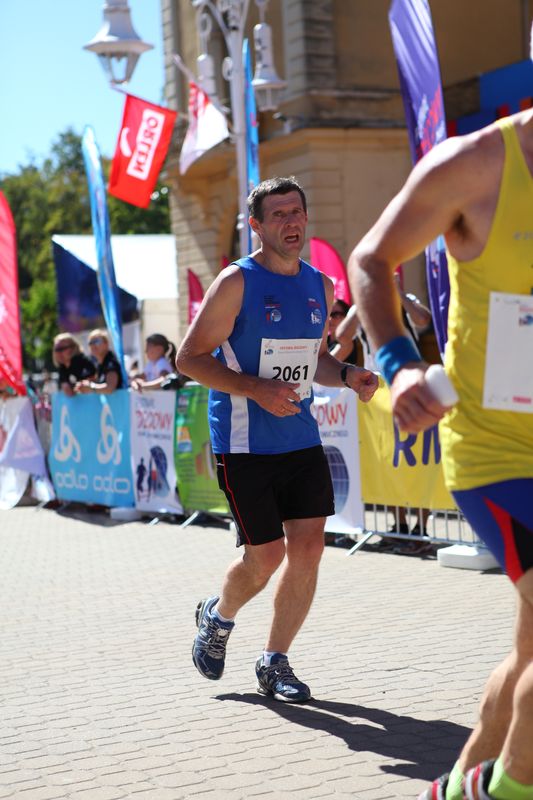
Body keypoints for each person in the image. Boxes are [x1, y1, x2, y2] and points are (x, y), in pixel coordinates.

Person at [348, 109, 533, 800]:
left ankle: (456, 789)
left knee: (528, 652)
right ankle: (503, 790)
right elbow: (371, 260)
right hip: (497, 455)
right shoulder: (479, 164)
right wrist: (398, 366)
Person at [176, 176, 378, 703]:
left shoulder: (320, 286)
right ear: (257, 226)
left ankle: (274, 660)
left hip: (301, 438)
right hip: (244, 443)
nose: (291, 222)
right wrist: (255, 389)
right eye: (278, 214)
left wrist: (349, 374)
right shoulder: (236, 282)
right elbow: (189, 358)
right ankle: (218, 616)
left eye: (296, 212)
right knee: (265, 557)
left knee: (308, 549)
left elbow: (316, 360)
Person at [75, 329, 123, 395]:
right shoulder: (100, 364)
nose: (93, 345)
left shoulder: (111, 362)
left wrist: (91, 387)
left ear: (106, 343)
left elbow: (110, 388)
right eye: (90, 343)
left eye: (97, 341)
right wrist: (86, 384)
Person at [52, 333, 96, 397]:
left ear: (73, 347)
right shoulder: (62, 368)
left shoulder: (84, 362)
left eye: (62, 349)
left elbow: (91, 382)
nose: (58, 353)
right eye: (56, 349)